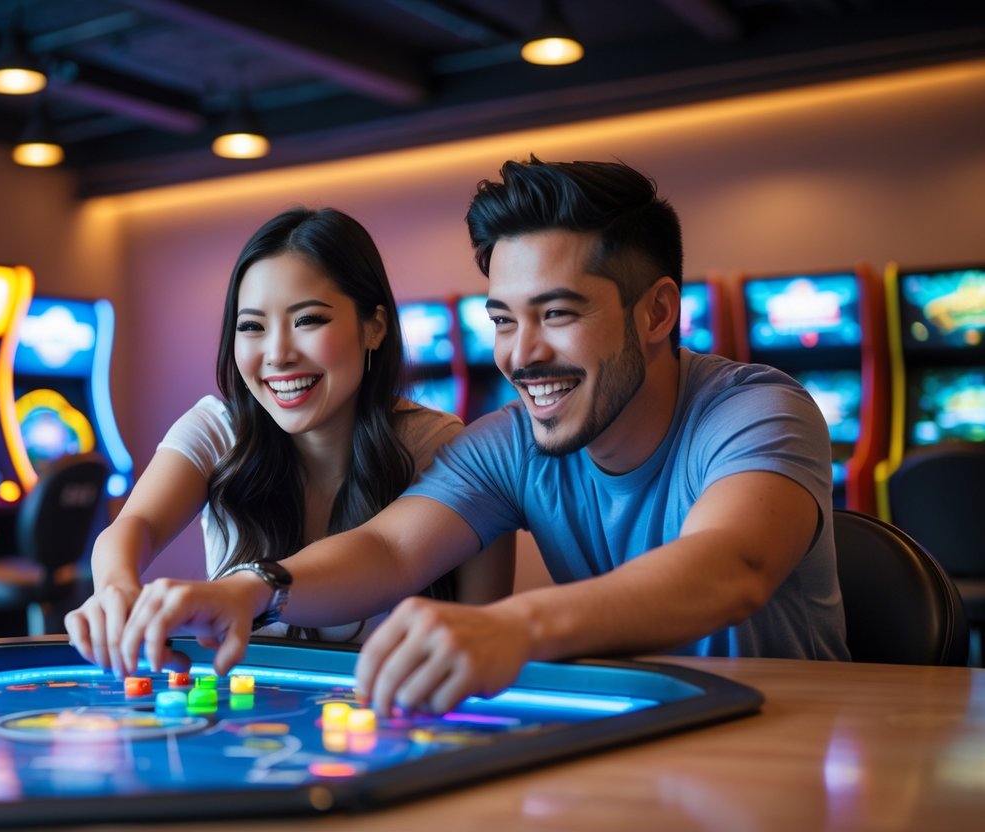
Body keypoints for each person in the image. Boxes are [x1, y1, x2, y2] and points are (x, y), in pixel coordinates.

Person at [109, 159, 850, 712]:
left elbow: (732, 565)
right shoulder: (511, 442)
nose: (519, 354)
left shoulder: (756, 409)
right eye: (502, 318)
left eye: (556, 313)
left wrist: (513, 627)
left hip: (787, 733)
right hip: (635, 730)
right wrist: (254, 588)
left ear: (655, 314)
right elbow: (391, 547)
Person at [65, 207, 514, 677]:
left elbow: (483, 641)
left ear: (374, 327)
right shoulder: (220, 428)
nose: (277, 354)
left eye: (308, 320)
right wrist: (115, 587)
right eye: (252, 326)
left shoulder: (441, 445)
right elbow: (136, 524)